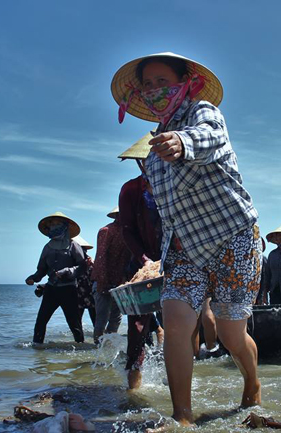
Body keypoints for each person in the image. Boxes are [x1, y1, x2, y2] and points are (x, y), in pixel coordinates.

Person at [112, 52, 262, 426]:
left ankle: (253, 382)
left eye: (162, 81)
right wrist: (154, 260)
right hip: (184, 251)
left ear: (184, 82)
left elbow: (211, 137)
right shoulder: (153, 155)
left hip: (233, 238)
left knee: (230, 334)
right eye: (147, 85)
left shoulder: (202, 111)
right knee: (176, 321)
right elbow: (168, 215)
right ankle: (182, 416)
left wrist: (182, 141)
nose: (154, 90)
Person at [117, 134, 165, 390]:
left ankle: (177, 378)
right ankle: (134, 385)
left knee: (182, 321)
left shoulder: (176, 185)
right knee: (137, 327)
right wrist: (145, 261)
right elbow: (127, 230)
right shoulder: (131, 189)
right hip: (141, 264)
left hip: (175, 261)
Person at [26, 212, 86, 344]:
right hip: (51, 289)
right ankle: (37, 350)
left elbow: (82, 267)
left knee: (74, 323)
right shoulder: (47, 247)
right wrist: (33, 278)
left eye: (57, 224)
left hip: (69, 289)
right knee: (41, 321)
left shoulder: (73, 245)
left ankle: (81, 348)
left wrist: (67, 271)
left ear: (65, 226)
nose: (54, 227)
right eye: (52, 225)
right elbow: (41, 270)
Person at [91, 206, 130, 343]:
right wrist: (103, 282)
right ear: (117, 216)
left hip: (120, 282)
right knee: (101, 319)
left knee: (116, 318)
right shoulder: (106, 231)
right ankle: (97, 348)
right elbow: (101, 258)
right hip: (104, 281)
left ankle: (108, 347)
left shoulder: (129, 233)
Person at [73, 235, 96, 328]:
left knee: (95, 320)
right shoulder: (75, 262)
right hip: (82, 294)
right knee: (78, 321)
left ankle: (98, 339)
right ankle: (99, 340)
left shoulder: (89, 261)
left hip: (88, 294)